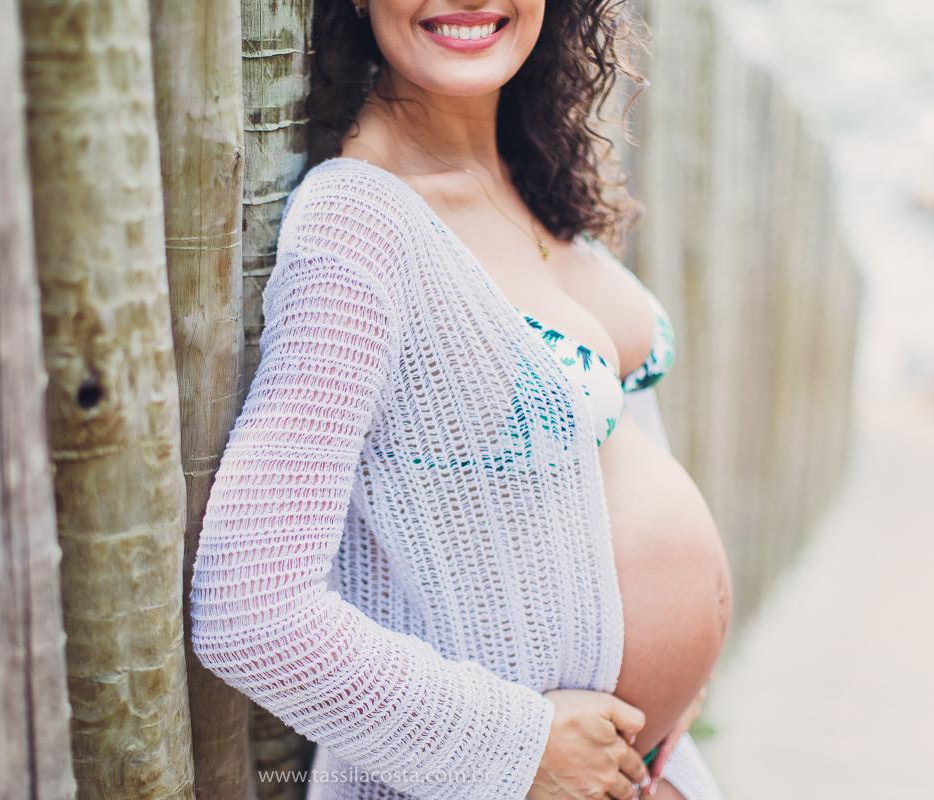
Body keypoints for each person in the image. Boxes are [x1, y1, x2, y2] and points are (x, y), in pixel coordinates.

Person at [189, 1, 733, 798]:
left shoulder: (531, 175)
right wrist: (521, 749)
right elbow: (252, 611)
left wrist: (677, 680)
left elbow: (613, 443)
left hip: (635, 765)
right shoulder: (361, 223)